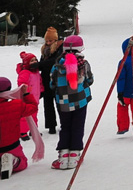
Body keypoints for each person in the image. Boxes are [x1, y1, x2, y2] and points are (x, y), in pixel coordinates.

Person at [50, 35, 93, 170]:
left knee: (65, 126)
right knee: (78, 126)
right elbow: (90, 80)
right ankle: (74, 153)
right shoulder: (84, 64)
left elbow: (52, 83)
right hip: (80, 101)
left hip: (63, 102)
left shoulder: (57, 65)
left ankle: (63, 156)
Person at [0, 77, 39, 176]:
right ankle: (14, 161)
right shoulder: (16, 105)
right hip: (12, 146)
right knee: (23, 163)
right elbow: (33, 108)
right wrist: (26, 94)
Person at [37, 27, 63, 135]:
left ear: (55, 40)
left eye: (50, 40)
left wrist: (40, 65)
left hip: (57, 80)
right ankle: (51, 126)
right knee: (47, 105)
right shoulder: (45, 50)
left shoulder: (60, 48)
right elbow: (43, 62)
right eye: (47, 40)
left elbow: (54, 61)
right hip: (46, 79)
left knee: (60, 104)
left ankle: (64, 124)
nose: (48, 43)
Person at [16, 52, 42, 141]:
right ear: (26, 63)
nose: (34, 62)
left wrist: (41, 90)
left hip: (35, 97)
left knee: (34, 114)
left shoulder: (36, 72)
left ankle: (33, 129)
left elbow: (40, 83)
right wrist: (25, 92)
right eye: (31, 61)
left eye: (35, 60)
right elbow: (21, 83)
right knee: (25, 116)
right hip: (27, 97)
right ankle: (22, 132)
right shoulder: (25, 72)